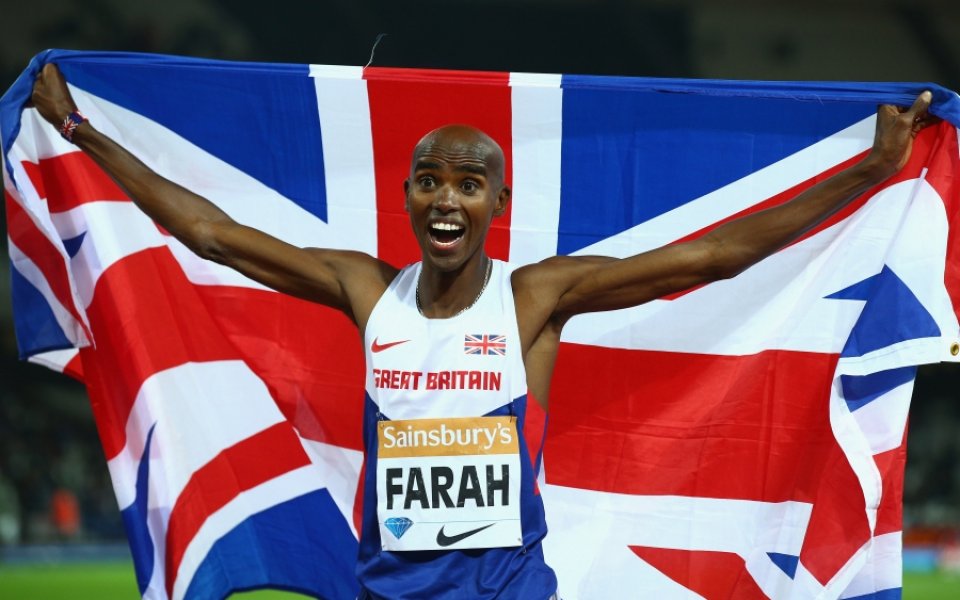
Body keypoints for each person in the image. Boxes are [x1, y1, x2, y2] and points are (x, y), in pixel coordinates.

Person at [30, 63, 937, 599]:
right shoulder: (365, 289)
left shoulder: (534, 298)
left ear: (498, 203)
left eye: (469, 184)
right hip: (387, 592)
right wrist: (77, 128)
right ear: (407, 195)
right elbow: (211, 233)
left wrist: (868, 171)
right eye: (430, 179)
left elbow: (714, 256)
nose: (446, 198)